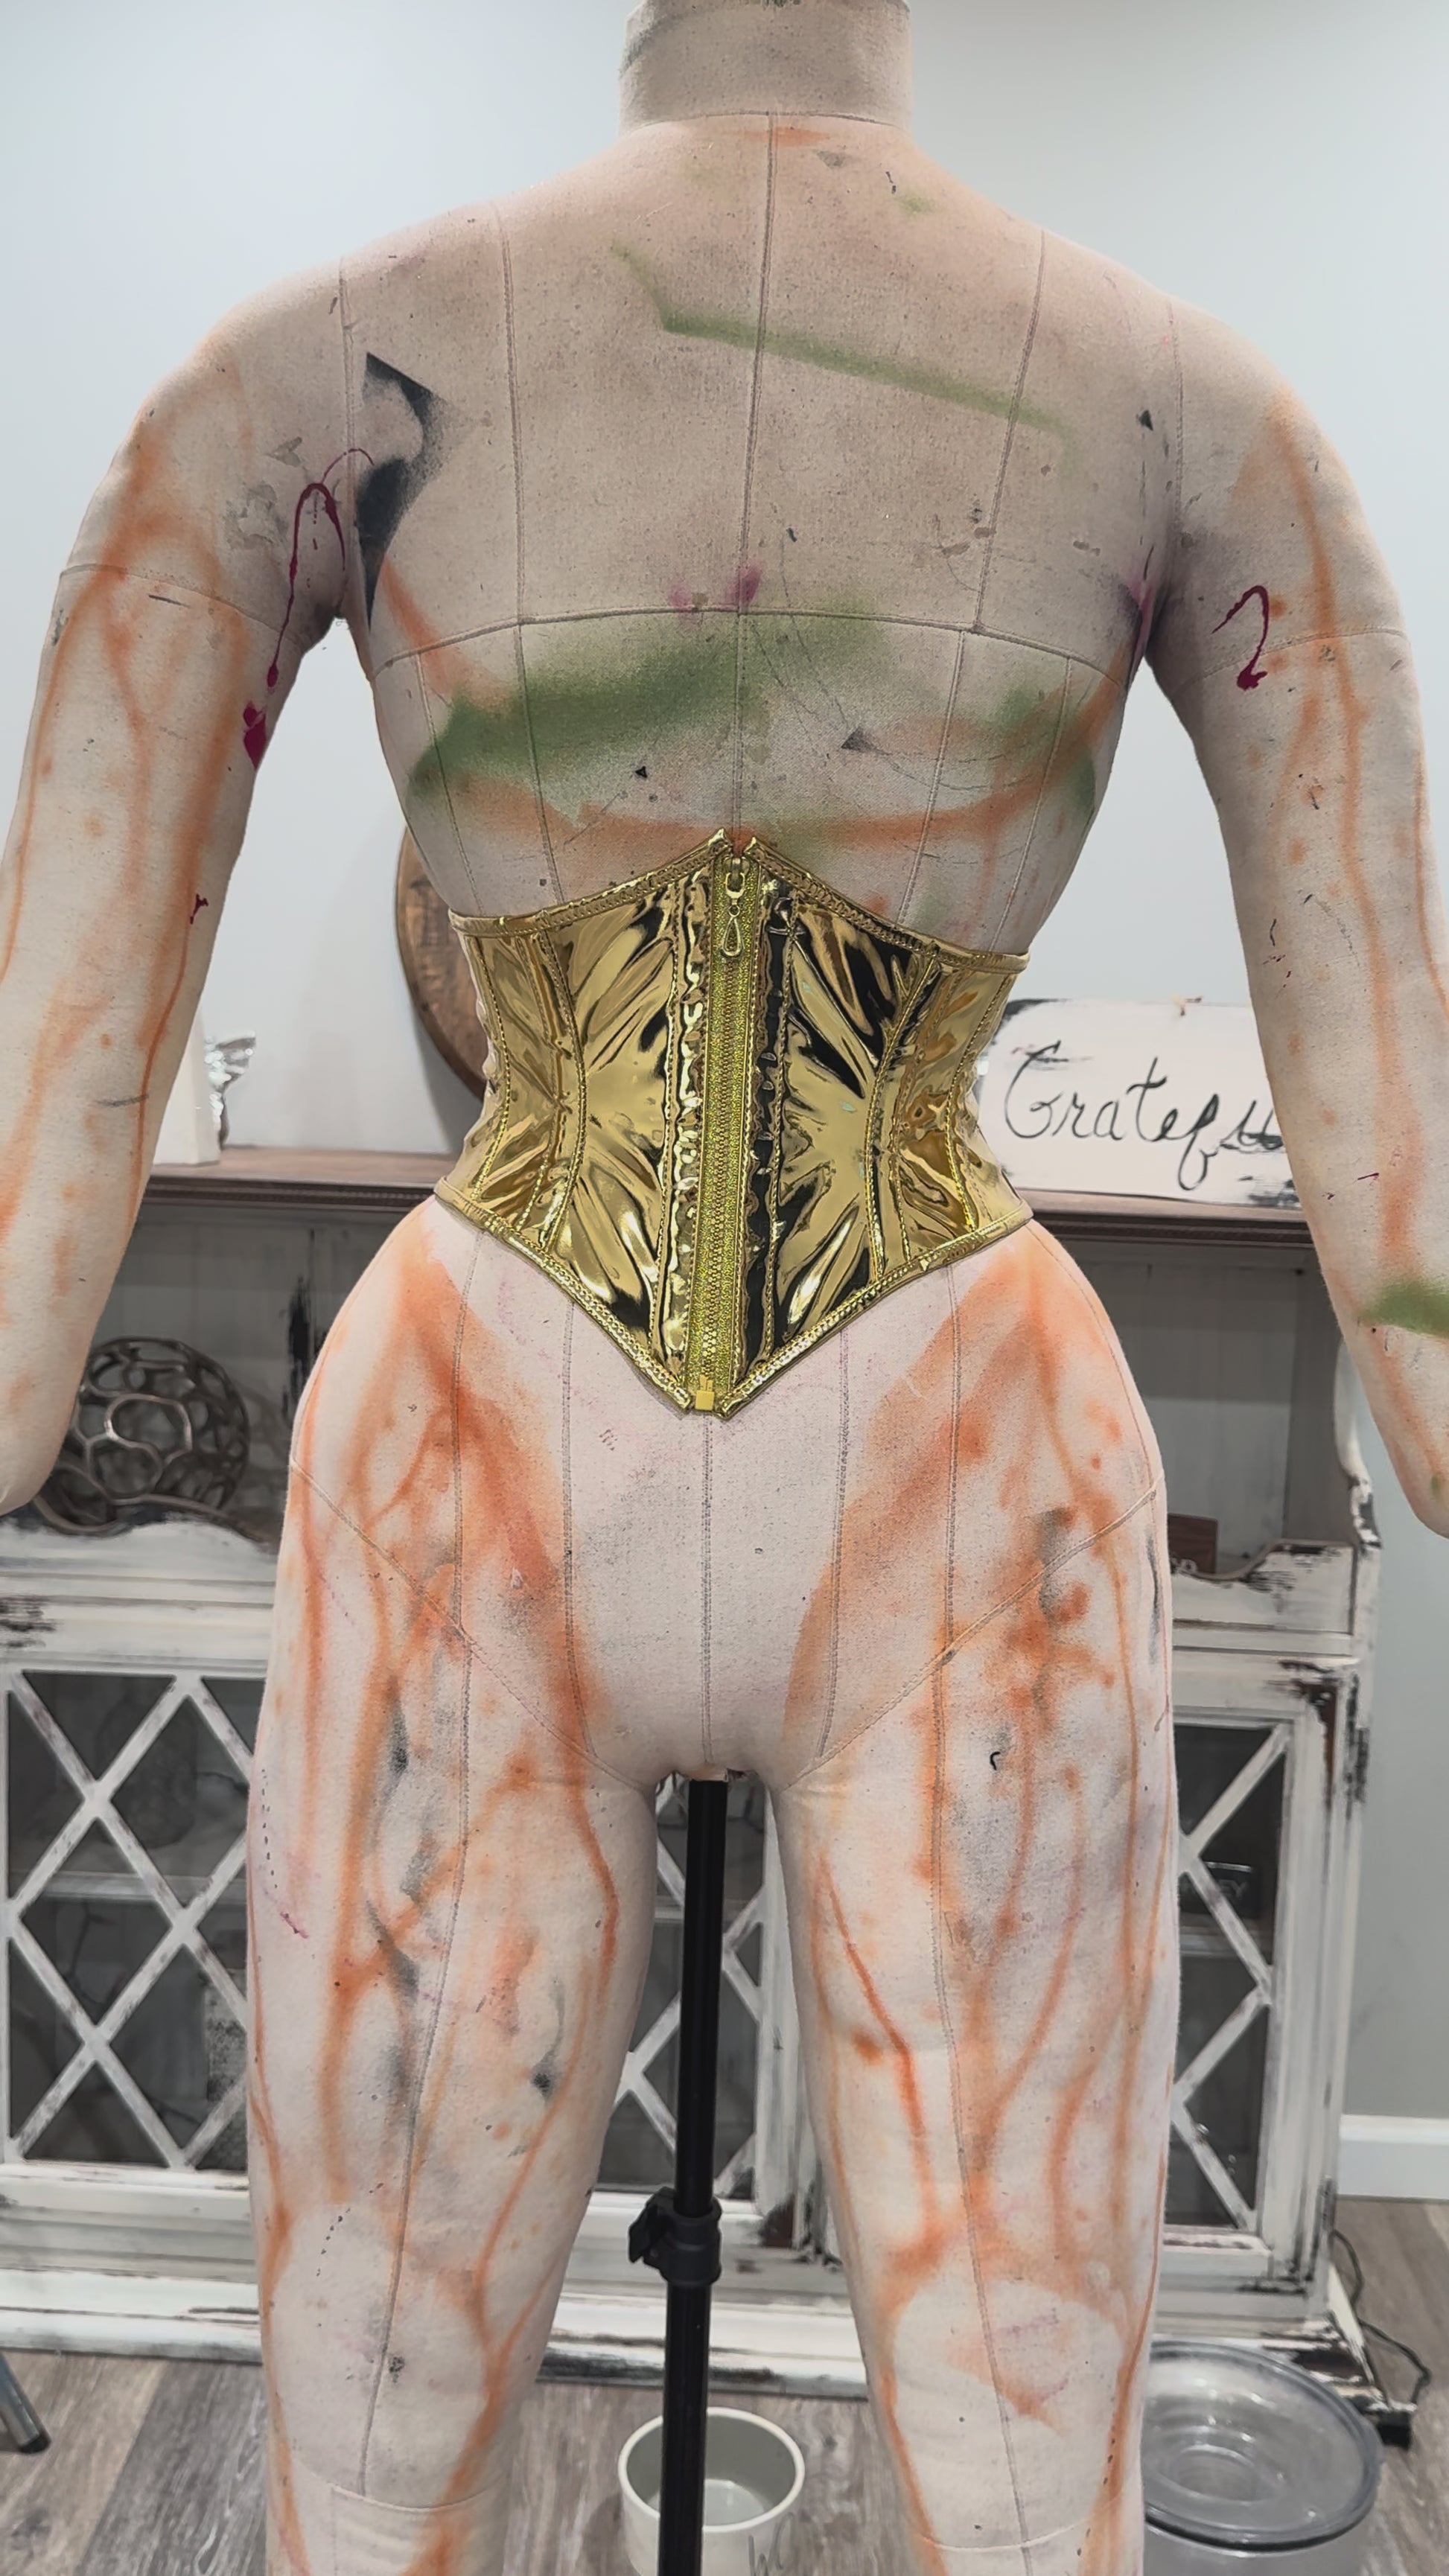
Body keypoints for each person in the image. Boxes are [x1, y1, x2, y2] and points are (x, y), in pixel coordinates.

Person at [1, 3, 1444, 2567]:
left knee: (473, 2430)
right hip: (937, 1445)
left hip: (508, 1441)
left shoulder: (307, 365)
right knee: (946, 2452)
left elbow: (65, 1003)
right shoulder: (1182, 398)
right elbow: (1388, 1058)